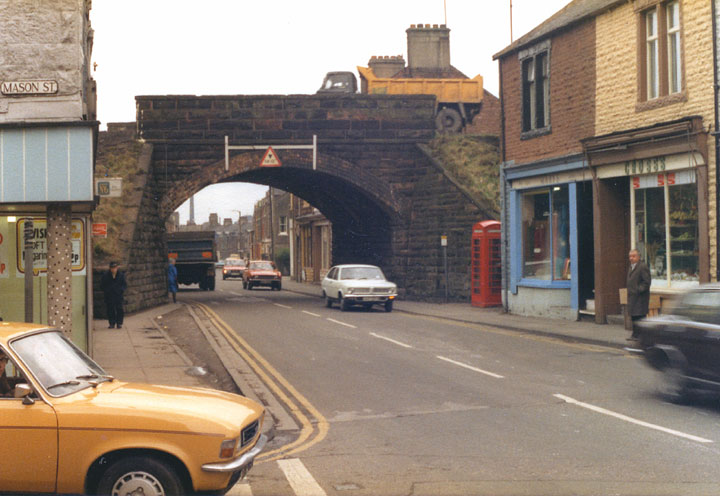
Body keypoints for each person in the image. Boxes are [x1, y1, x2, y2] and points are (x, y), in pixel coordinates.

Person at [627, 248, 651, 341]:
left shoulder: (642, 267)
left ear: (639, 257)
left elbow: (646, 282)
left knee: (640, 316)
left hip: (640, 298)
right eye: (630, 256)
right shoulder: (631, 266)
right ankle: (635, 335)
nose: (631, 258)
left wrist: (638, 290)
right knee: (634, 316)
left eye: (633, 256)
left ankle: (640, 335)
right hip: (632, 297)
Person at [101, 261, 127, 329]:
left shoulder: (121, 275)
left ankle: (119, 323)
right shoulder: (106, 275)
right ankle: (112, 323)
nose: (113, 269)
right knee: (110, 309)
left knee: (119, 309)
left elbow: (124, 284)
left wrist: (121, 290)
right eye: (112, 268)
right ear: (110, 268)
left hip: (118, 295)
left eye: (115, 268)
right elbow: (102, 285)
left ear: (117, 268)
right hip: (109, 295)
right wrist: (107, 291)